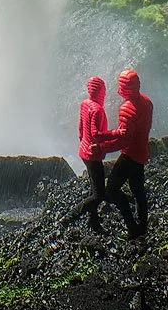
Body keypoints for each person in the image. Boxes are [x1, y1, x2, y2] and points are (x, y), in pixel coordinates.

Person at [99, 67, 153, 241]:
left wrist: (102, 147)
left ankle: (132, 228)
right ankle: (143, 225)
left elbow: (124, 140)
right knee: (138, 190)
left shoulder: (127, 109)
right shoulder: (147, 101)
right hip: (142, 151)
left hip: (129, 155)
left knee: (112, 190)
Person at [62, 76, 111, 232]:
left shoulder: (85, 104)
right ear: (100, 91)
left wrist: (84, 142)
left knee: (94, 187)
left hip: (83, 151)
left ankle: (93, 221)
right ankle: (71, 216)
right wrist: (115, 134)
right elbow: (96, 134)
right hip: (92, 155)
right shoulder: (97, 109)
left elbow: (81, 128)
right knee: (99, 195)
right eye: (103, 90)